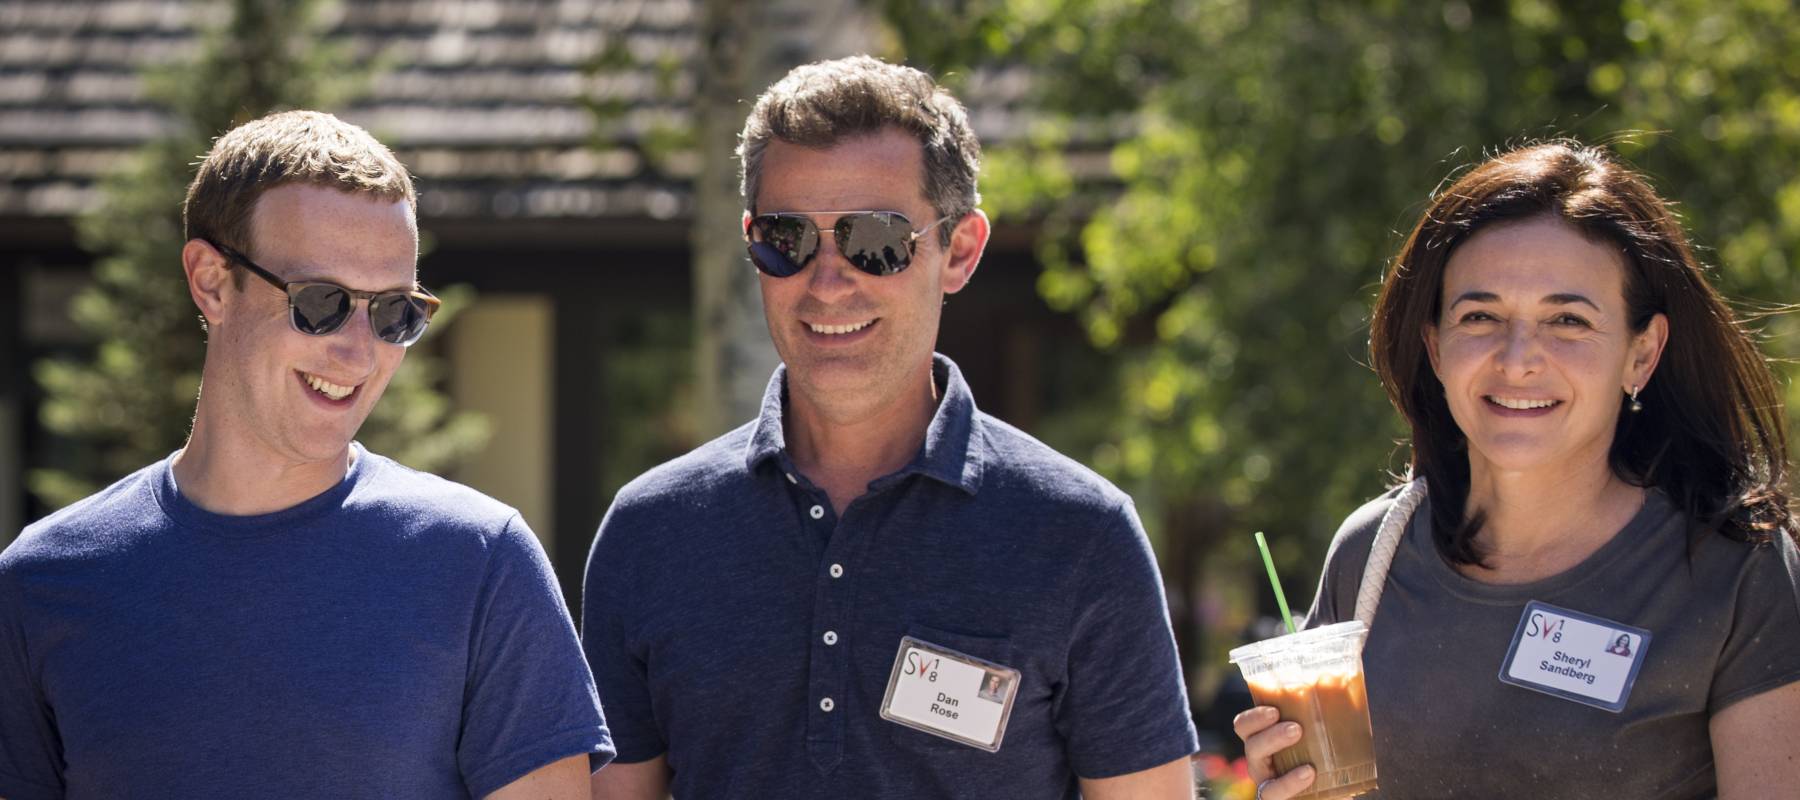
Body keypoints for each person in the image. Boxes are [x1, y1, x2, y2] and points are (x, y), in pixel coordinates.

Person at [583, 56, 1199, 799]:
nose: (828, 279)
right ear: (752, 246)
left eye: (875, 238)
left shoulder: (1082, 537)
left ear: (959, 251)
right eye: (788, 238)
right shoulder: (650, 533)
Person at [0, 111, 613, 799]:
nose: (359, 351)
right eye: (321, 302)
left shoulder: (479, 560)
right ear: (210, 280)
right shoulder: (42, 582)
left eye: (393, 313)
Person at [1235, 141, 1800, 799]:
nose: (1518, 357)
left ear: (1641, 355)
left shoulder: (1734, 574)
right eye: (1481, 316)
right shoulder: (1372, 557)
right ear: (1436, 346)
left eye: (1567, 320)